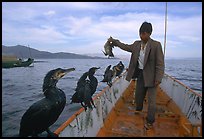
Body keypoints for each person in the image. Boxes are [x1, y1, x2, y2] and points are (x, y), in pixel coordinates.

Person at [108, 21, 165, 130]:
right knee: (138, 97)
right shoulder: (136, 44)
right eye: (141, 33)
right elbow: (125, 46)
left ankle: (150, 121)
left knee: (152, 101)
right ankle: (139, 110)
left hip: (153, 78)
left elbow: (160, 63)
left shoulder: (156, 45)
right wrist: (114, 42)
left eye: (144, 33)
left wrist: (158, 78)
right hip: (140, 75)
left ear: (149, 33)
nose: (142, 35)